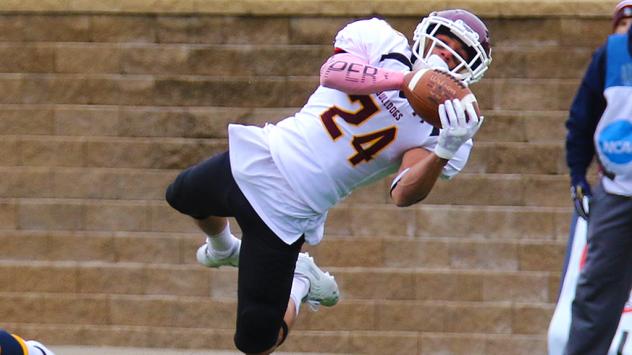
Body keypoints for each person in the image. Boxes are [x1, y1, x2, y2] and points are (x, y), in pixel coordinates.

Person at [166, 9, 492, 354]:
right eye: (444, 40)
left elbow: (402, 193)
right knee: (182, 195)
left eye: (461, 51)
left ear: (472, 69)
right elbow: (334, 73)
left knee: (255, 341)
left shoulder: (447, 126)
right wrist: (404, 81)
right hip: (265, 153)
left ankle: (299, 281)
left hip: (291, 210)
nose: (446, 52)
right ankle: (224, 249)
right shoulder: (382, 41)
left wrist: (444, 150)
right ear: (425, 33)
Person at [563, 1, 632, 353]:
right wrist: (578, 173)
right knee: (597, 292)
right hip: (617, 190)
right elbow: (582, 118)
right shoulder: (611, 54)